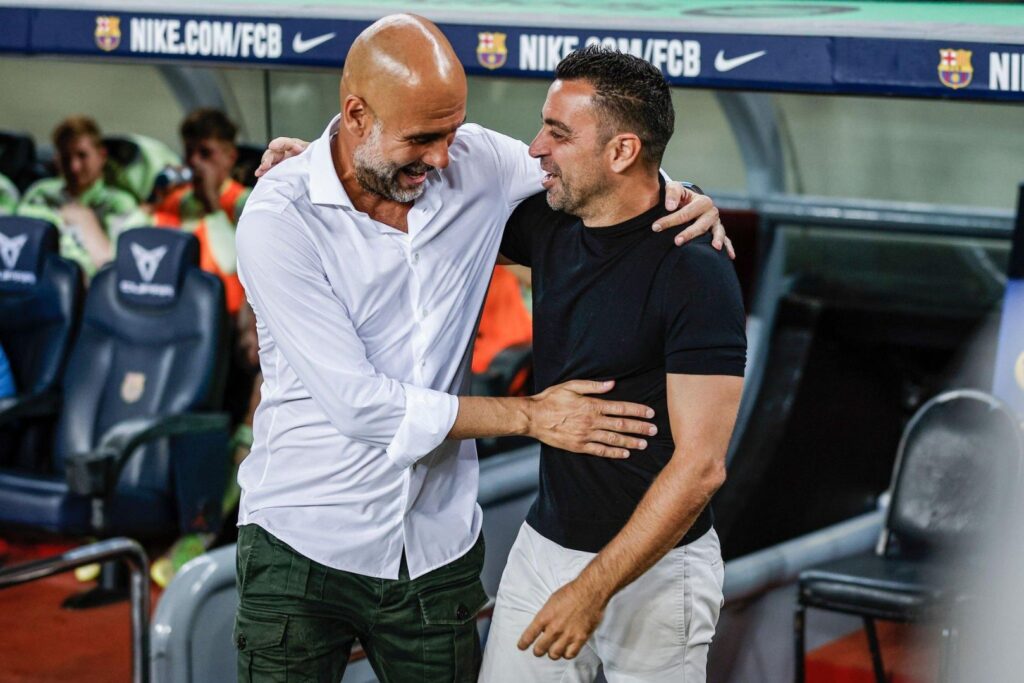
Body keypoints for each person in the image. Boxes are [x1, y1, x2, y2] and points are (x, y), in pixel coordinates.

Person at [236, 14, 731, 682]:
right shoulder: (280, 216)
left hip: (459, 551)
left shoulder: (480, 167)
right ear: (356, 117)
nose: (445, 157)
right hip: (304, 539)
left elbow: (616, 175)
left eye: (451, 132)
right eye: (423, 138)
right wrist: (531, 414)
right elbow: (361, 405)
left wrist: (693, 194)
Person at [479, 46, 746, 683]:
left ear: (623, 151)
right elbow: (423, 190)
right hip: (544, 550)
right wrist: (320, 160)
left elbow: (703, 468)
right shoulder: (549, 223)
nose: (537, 147)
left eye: (559, 132)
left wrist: (591, 589)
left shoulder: (694, 268)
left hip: (659, 574)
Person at [17, 116, 145, 277]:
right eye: (66, 157)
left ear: (101, 155)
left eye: (82, 155)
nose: (74, 167)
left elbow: (113, 269)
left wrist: (85, 220)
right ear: (56, 159)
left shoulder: (119, 203)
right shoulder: (40, 194)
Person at [152, 108, 249, 314]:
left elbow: (231, 263)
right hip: (171, 307)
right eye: (189, 152)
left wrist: (212, 205)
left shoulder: (245, 203)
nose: (194, 161)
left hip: (224, 315)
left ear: (230, 157)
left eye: (205, 153)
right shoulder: (173, 200)